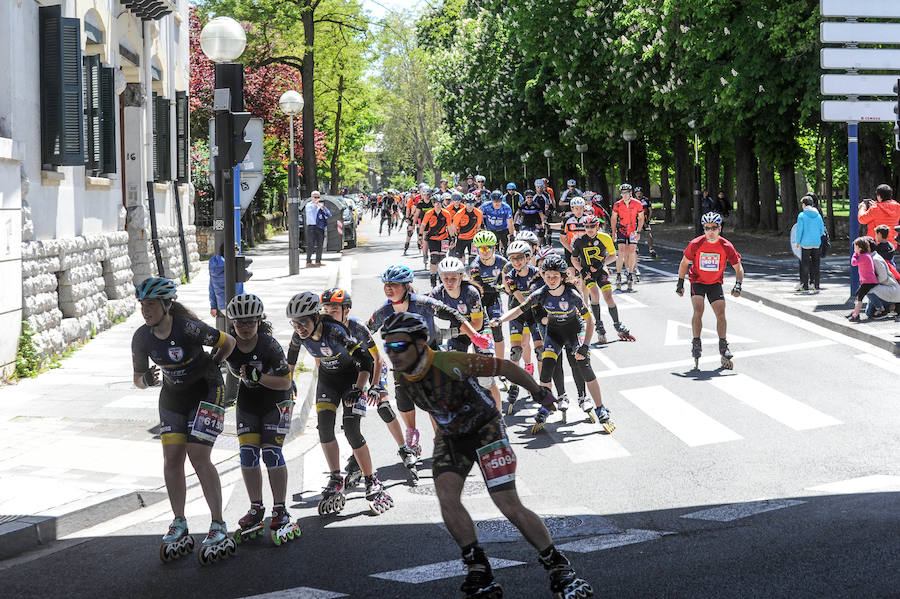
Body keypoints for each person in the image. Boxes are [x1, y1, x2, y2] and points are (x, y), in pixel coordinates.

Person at [381, 312, 592, 599]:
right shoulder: (401, 373)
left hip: (486, 430)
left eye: (399, 346)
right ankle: (477, 566)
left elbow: (504, 366)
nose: (393, 354)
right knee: (446, 497)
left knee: (506, 501)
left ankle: (558, 565)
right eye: (388, 346)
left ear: (420, 344)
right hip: (452, 437)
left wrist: (538, 392)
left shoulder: (449, 362)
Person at [131, 277, 238, 564]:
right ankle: (179, 521)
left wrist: (215, 362)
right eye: (142, 304)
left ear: (167, 305)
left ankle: (218, 524)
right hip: (173, 396)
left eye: (151, 304)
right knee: (172, 458)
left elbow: (228, 341)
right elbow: (137, 379)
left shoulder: (187, 328)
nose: (145, 310)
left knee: (199, 456)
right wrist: (146, 380)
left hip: (207, 389)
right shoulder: (141, 337)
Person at [285, 291, 393, 515]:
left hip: (353, 379)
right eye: (294, 323)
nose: (299, 328)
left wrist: (360, 388)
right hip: (328, 381)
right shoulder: (299, 335)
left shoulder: (335, 331)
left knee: (352, 431)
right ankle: (336, 477)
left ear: (316, 317)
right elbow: (292, 356)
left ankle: (372, 479)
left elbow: (366, 360)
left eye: (303, 322)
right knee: (324, 428)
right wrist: (289, 382)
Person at [368, 265, 491, 459]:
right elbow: (365, 333)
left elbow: (453, 314)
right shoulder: (384, 310)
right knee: (403, 396)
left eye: (394, 284)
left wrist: (474, 335)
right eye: (386, 284)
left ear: (407, 286)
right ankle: (412, 436)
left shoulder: (424, 303)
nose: (388, 288)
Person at [491, 254, 613, 432]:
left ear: (563, 276)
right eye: (547, 276)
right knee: (547, 368)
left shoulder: (572, 294)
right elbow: (519, 309)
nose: (551, 280)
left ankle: (600, 407)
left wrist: (586, 345)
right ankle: (546, 405)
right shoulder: (541, 294)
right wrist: (500, 320)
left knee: (584, 367)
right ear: (543, 276)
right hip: (554, 334)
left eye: (555, 276)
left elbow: (590, 321)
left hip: (573, 332)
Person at [319, 288, 419, 484]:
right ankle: (356, 456)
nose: (328, 316)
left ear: (345, 310)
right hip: (352, 373)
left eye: (333, 311)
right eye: (325, 311)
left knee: (383, 406)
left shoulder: (357, 327)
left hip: (373, 367)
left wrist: (374, 386)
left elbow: (377, 359)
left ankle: (404, 448)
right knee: (351, 418)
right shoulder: (324, 328)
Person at [224, 294, 299, 546]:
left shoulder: (269, 345)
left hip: (275, 401)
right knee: (247, 454)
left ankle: (280, 508)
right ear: (232, 324)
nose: (245, 328)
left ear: (259, 321)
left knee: (271, 454)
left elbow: (286, 382)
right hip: (248, 402)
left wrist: (259, 377)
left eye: (250, 323)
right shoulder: (230, 344)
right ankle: (256, 507)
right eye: (239, 323)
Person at [430, 257, 503, 412]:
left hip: (479, 330)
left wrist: (447, 333)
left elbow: (476, 325)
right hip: (458, 332)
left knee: (485, 378)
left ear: (461, 277)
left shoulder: (471, 292)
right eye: (445, 278)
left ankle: (498, 416)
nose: (449, 282)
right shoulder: (437, 293)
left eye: (453, 278)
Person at [675, 212, 744, 369]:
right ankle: (696, 342)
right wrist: (680, 283)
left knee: (721, 312)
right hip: (697, 280)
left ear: (719, 228)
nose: (710, 232)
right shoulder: (696, 243)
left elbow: (738, 267)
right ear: (703, 229)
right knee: (698, 309)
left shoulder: (726, 246)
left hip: (714, 283)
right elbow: (684, 263)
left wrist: (738, 284)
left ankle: (723, 345)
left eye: (713, 228)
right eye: (707, 228)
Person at [571, 215, 635, 344]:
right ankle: (599, 327)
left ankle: (618, 325)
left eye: (592, 227)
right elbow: (574, 258)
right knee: (594, 294)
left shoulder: (605, 238)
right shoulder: (579, 241)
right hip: (588, 273)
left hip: (601, 271)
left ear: (597, 226)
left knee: (608, 296)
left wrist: (601, 264)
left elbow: (613, 256)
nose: (589, 229)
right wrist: (582, 270)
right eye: (587, 227)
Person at [470, 231, 510, 362]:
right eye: (481, 248)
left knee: (497, 329)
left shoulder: (502, 262)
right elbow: (481, 287)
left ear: (494, 248)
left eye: (488, 248)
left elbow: (509, 279)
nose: (484, 251)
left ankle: (501, 365)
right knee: (479, 331)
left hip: (493, 298)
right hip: (479, 298)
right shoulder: (475, 266)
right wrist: (500, 287)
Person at [611, 184, 644, 291]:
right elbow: (613, 219)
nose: (624, 195)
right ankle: (619, 275)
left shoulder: (637, 204)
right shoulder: (617, 204)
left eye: (626, 192)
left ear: (630, 193)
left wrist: (638, 231)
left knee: (632, 251)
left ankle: (630, 273)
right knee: (621, 251)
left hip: (633, 231)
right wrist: (613, 232)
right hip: (621, 230)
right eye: (622, 193)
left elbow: (641, 218)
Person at [421, 193, 454, 287]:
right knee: (434, 258)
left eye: (439, 203)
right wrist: (420, 236)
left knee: (442, 258)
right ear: (433, 204)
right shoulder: (429, 213)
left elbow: (449, 226)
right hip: (433, 238)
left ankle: (441, 278)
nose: (438, 205)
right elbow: (423, 225)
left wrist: (452, 238)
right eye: (436, 203)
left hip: (444, 238)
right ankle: (433, 279)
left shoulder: (446, 213)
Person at [208, 244, 244, 330]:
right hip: (237, 304)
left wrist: (213, 306)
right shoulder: (233, 265)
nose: (238, 252)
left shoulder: (214, 266)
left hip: (222, 306)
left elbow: (211, 288)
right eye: (237, 249)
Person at [795, 195, 826, 293]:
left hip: (805, 243)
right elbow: (822, 230)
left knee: (805, 264)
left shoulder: (802, 216)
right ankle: (816, 284)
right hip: (816, 242)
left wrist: (798, 242)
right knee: (816, 264)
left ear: (804, 205)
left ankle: (805, 285)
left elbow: (799, 230)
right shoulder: (818, 215)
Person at [858, 184, 900, 248]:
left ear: (879, 196)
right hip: (892, 243)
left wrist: (862, 207)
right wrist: (875, 205)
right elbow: (885, 209)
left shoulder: (875, 208)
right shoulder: (897, 206)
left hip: (877, 243)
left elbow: (862, 219)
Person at [449, 193, 484, 261]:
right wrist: (454, 237)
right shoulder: (459, 213)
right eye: (468, 204)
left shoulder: (478, 213)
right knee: (459, 258)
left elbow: (478, 226)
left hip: (472, 239)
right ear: (465, 203)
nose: (470, 206)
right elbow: (454, 226)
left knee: (473, 259)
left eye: (472, 204)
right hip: (461, 238)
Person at [305, 191, 331, 267]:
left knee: (320, 244)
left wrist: (320, 206)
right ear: (311, 197)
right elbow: (311, 212)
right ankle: (308, 261)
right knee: (311, 244)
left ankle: (318, 261)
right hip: (311, 227)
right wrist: (316, 205)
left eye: (318, 197)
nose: (316, 199)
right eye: (315, 197)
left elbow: (327, 214)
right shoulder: (308, 205)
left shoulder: (321, 206)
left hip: (320, 227)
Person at [634, 187, 657, 258]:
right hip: (636, 220)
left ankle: (651, 249)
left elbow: (650, 210)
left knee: (648, 233)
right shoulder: (633, 201)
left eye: (640, 193)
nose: (639, 194)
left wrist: (649, 219)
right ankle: (635, 248)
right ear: (635, 194)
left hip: (645, 219)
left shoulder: (646, 200)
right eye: (637, 193)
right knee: (635, 234)